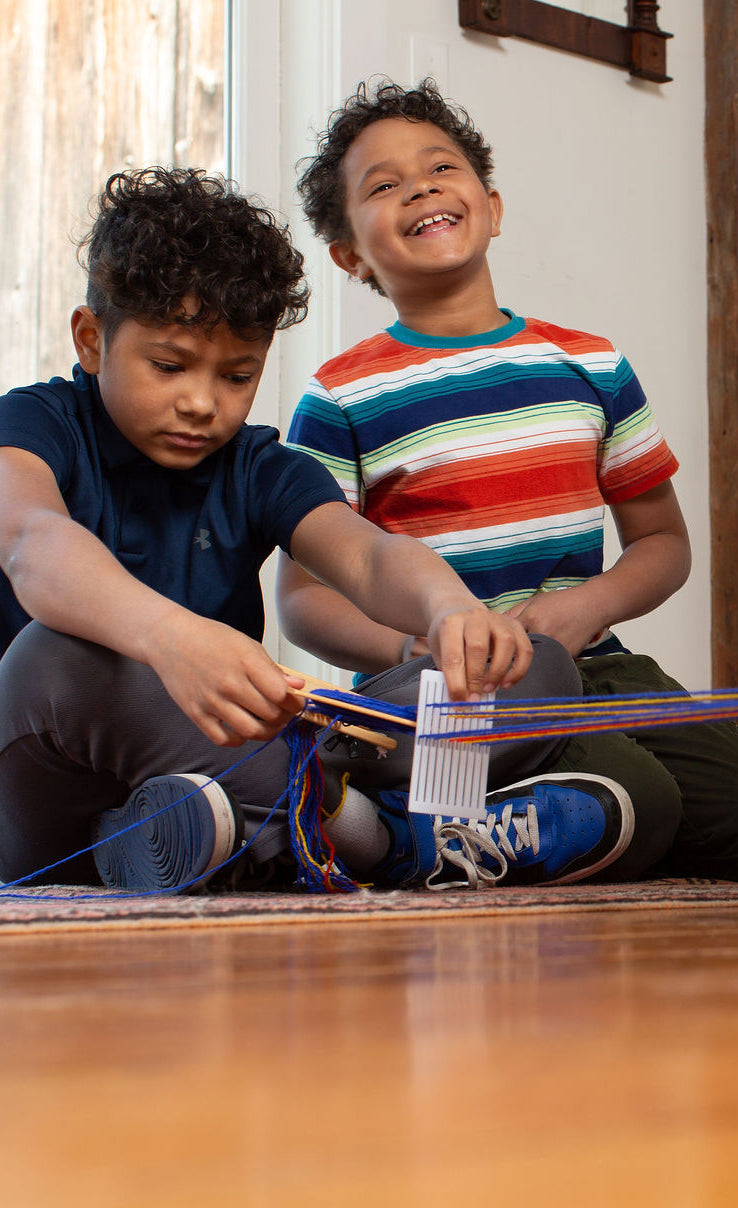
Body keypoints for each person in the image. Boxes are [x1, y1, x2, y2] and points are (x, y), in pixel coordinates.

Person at [0, 166, 632, 894]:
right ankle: (377, 837)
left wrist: (449, 609)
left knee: (531, 665)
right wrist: (170, 638)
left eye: (236, 376)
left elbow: (367, 558)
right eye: (169, 366)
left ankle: (212, 836)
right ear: (91, 340)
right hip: (47, 789)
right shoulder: (34, 423)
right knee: (52, 656)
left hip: (223, 766)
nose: (201, 402)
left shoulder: (258, 466)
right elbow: (34, 541)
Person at [282, 79, 738, 883]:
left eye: (440, 167)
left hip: (595, 665)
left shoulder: (592, 365)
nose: (421, 187)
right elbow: (302, 600)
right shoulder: (339, 396)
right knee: (640, 796)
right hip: (450, 692)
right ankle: (409, 823)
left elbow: (662, 543)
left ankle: (482, 824)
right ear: (349, 254)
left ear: (492, 207)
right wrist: (413, 645)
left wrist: (587, 607)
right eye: (384, 185)